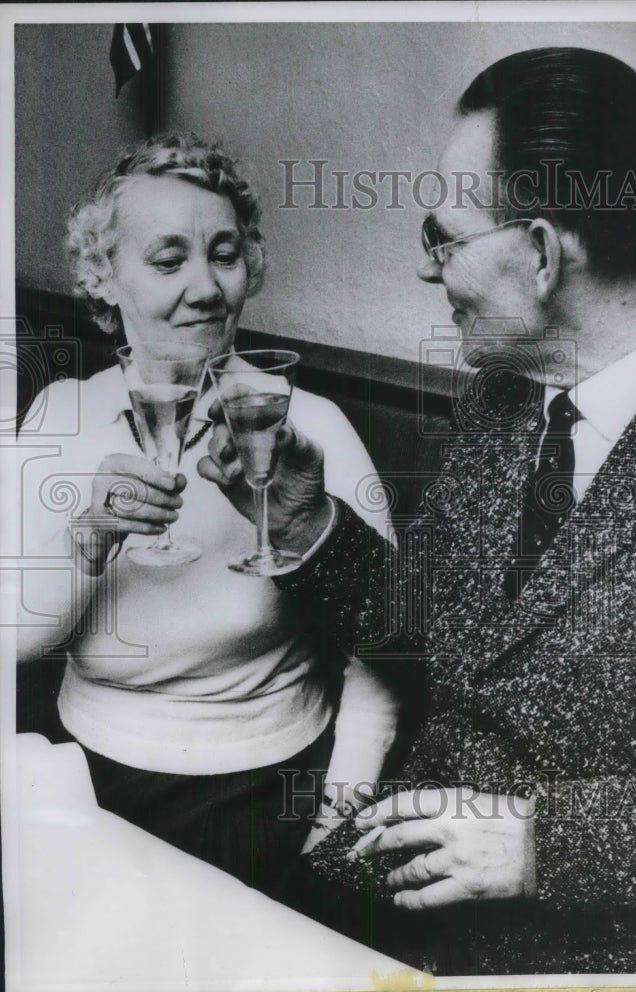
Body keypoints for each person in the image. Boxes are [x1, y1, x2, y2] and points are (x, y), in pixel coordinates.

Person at [199, 48, 636, 972]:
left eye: (444, 238)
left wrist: (544, 844)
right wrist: (298, 517)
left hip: (600, 959)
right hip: (401, 903)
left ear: (540, 252)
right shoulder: (501, 396)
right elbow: (419, 631)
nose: (426, 268)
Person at [16, 132, 399, 894]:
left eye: (224, 254)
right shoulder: (58, 415)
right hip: (83, 778)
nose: (206, 288)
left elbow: (387, 656)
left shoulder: (311, 425)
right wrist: (86, 540)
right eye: (168, 261)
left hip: (267, 796)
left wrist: (331, 832)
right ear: (104, 278)